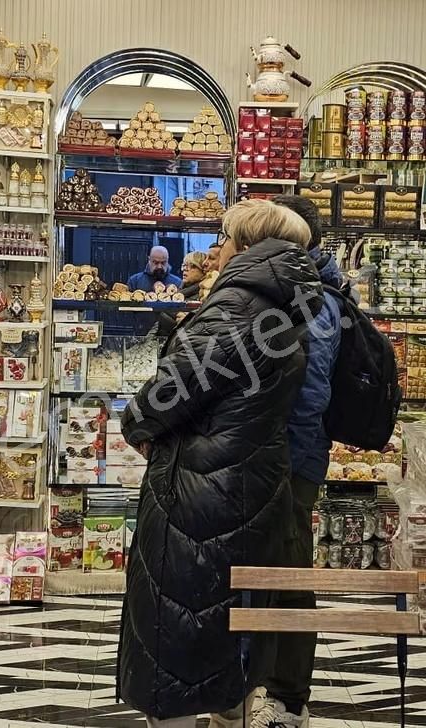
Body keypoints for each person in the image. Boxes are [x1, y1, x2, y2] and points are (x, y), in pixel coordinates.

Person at [118, 199, 325, 728]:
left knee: (178, 633)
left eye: (225, 238)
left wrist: (134, 424)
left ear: (248, 246)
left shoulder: (238, 305)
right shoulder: (294, 303)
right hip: (257, 482)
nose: (217, 249)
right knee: (232, 632)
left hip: (201, 495)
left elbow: (170, 393)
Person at [218, 194, 350, 728]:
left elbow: (310, 395)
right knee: (253, 574)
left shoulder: (315, 300)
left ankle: (288, 696)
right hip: (265, 459)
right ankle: (244, 685)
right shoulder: (286, 292)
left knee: (289, 575)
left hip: (290, 463)